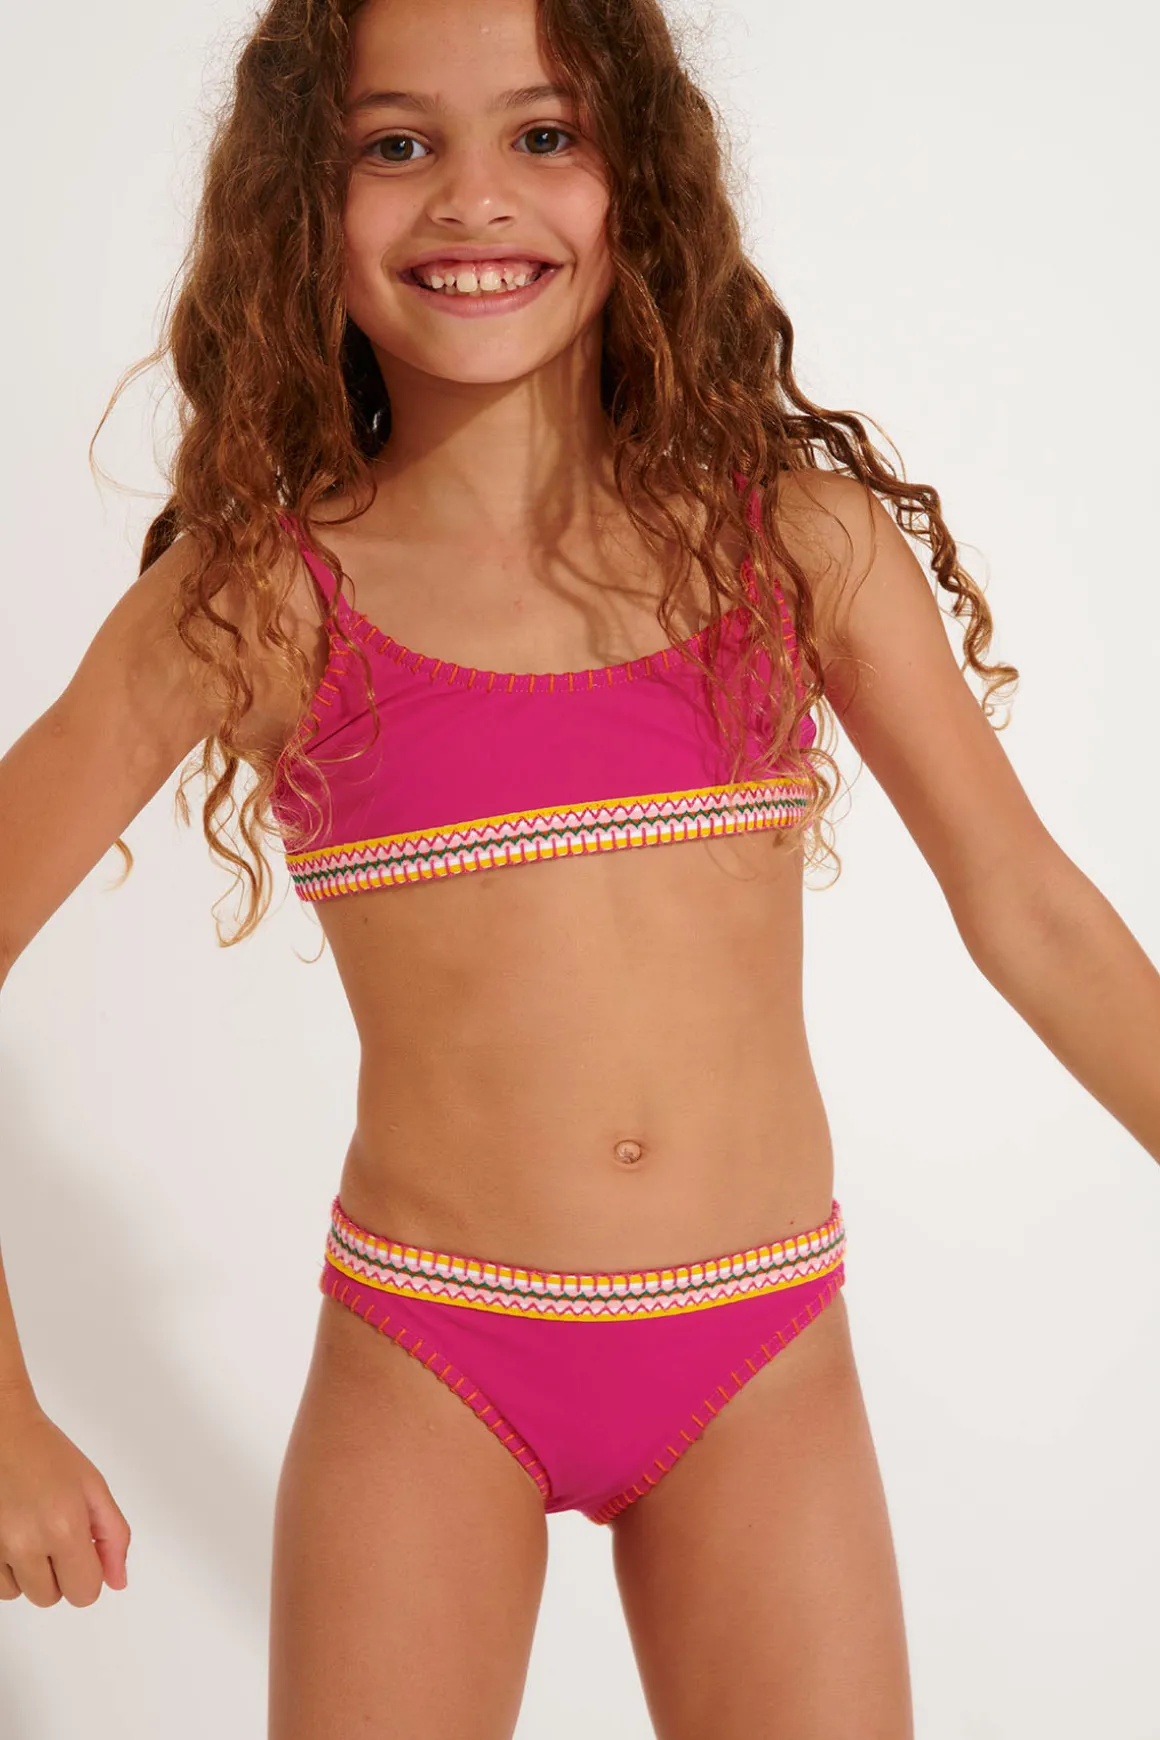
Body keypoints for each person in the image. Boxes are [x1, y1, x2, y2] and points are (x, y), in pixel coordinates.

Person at [1, 0, 1157, 1734]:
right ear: (299, 202)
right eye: (397, 145)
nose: (475, 196)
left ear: (644, 183)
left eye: (544, 135)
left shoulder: (799, 548)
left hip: (762, 1350)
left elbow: (1037, 915)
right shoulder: (252, 604)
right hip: (431, 1355)